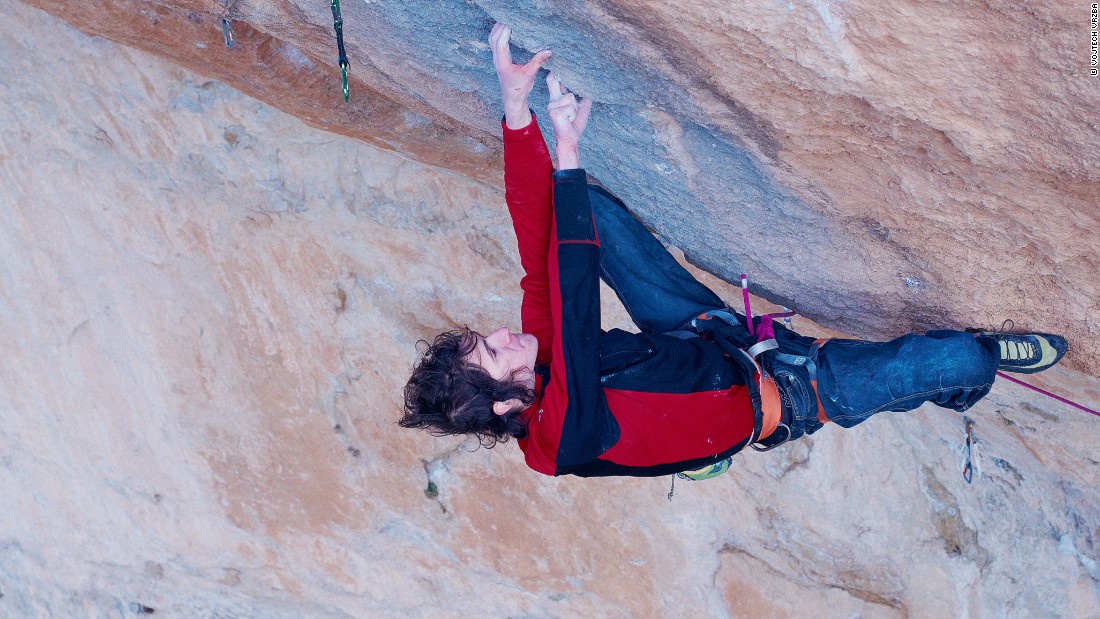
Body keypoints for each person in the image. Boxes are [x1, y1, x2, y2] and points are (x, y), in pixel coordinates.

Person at [398, 24, 1068, 478]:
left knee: (582, 215)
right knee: (960, 357)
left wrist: (518, 110)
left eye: (482, 338)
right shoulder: (562, 436)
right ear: (507, 406)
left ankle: (942, 382)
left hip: (698, 335)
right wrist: (568, 151)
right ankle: (963, 380)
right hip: (790, 391)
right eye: (492, 350)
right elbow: (572, 303)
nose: (501, 333)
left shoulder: (537, 371)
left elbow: (539, 253)